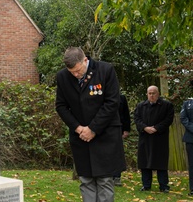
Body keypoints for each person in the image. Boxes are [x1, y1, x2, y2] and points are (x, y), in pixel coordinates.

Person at [55, 47, 126, 202]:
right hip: (80, 137)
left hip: (105, 134)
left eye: (78, 71)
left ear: (85, 60)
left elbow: (112, 103)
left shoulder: (105, 70)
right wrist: (78, 128)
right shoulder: (62, 77)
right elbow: (61, 106)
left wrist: (93, 129)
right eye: (71, 72)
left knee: (105, 180)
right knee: (86, 180)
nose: (75, 75)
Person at [134, 85, 174, 193]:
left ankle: (164, 186)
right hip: (145, 137)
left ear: (158, 94)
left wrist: (156, 128)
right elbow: (137, 119)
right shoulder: (141, 106)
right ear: (147, 94)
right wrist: (145, 128)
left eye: (154, 93)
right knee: (145, 162)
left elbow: (169, 119)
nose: (151, 95)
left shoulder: (167, 105)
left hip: (160, 138)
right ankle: (146, 185)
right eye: (149, 93)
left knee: (161, 162)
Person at [113, 94, 131, 186]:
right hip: (102, 128)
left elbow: (125, 114)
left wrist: (126, 129)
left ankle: (117, 177)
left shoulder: (121, 98)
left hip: (117, 129)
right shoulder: (100, 95)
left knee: (117, 153)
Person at [180, 80, 193, 196]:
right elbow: (183, 118)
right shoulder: (187, 103)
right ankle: (192, 189)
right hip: (191, 138)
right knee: (192, 164)